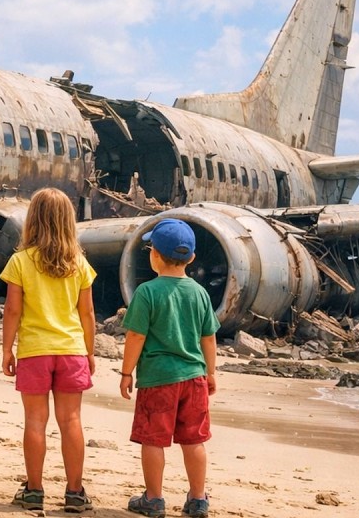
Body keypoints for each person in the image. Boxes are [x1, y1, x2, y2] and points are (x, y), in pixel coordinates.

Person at [0, 188, 97, 513]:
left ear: (33, 220)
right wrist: (89, 352)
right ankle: (75, 492)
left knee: (35, 421)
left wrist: (7, 349)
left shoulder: (20, 261)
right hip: (71, 350)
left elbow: (12, 310)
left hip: (35, 351)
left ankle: (34, 490)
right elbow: (87, 313)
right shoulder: (79, 263)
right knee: (71, 420)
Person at [119, 219, 218, 518]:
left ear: (155, 256)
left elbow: (136, 336)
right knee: (194, 439)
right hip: (195, 378)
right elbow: (208, 337)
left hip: (158, 379)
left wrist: (127, 372)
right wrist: (211, 372)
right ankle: (198, 499)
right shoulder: (200, 293)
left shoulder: (147, 292)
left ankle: (153, 498)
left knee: (153, 439)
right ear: (192, 257)